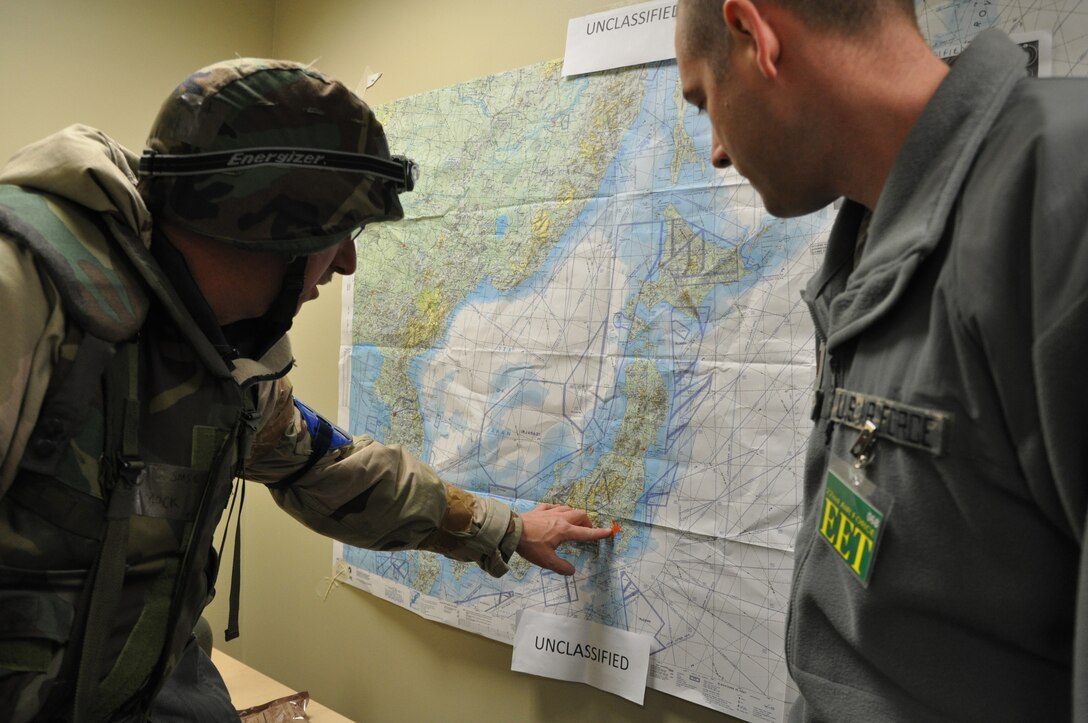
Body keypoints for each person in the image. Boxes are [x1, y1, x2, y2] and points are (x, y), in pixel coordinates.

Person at [0, 58, 612, 722]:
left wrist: (508, 527)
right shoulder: (26, 298)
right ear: (268, 223)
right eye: (337, 234)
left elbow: (330, 470)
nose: (345, 261)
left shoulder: (229, 359)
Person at [675, 0, 1088, 720]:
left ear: (754, 34)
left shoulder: (1061, 195)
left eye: (703, 99)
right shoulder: (868, 251)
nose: (715, 148)